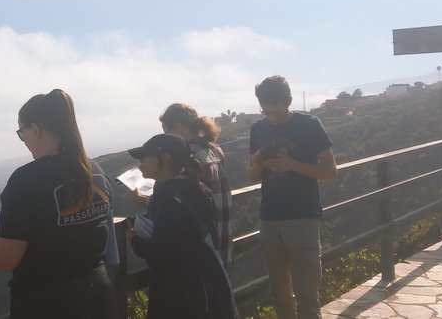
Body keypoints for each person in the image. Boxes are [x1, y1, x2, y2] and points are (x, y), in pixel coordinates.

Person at [0, 89, 115, 319]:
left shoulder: (26, 180)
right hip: (98, 294)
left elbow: (4, 259)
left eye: (21, 133)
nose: (23, 141)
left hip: (48, 302)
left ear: (35, 129)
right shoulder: (96, 171)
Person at [247, 76, 337, 319]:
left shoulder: (310, 124)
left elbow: (330, 171)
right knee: (280, 292)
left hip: (302, 217)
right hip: (269, 218)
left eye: (277, 112)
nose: (272, 118)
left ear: (289, 102)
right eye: (267, 112)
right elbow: (253, 177)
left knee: (307, 293)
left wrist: (292, 165)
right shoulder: (258, 128)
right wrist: (256, 164)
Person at [127, 134, 238, 319]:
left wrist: (136, 241)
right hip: (210, 286)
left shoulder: (169, 199)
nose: (141, 163)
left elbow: (163, 256)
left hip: (183, 297)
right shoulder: (199, 188)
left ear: (166, 159)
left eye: (145, 157)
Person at [159, 103, 233, 268]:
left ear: (179, 128)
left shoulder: (188, 156)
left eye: (166, 132)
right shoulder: (214, 148)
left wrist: (144, 200)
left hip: (206, 243)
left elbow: (183, 202)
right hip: (224, 236)